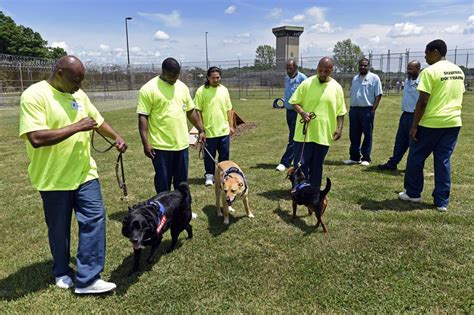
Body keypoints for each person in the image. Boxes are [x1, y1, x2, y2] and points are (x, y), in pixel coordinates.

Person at [19, 56, 127, 294]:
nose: (79, 85)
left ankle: (88, 278)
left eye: (82, 80)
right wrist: (77, 127)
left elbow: (97, 121)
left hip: (84, 172)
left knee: (94, 219)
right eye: (75, 80)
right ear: (59, 73)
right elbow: (36, 138)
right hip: (53, 177)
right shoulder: (35, 95)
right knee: (59, 229)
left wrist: (116, 137)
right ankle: (61, 270)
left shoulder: (79, 95)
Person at [399, 39, 465, 212]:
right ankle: (442, 202)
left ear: (435, 52)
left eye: (427, 53)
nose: (425, 56)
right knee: (443, 160)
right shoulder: (458, 71)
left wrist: (414, 126)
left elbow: (422, 101)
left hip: (431, 123)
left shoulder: (429, 72)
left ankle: (413, 193)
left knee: (415, 157)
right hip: (453, 122)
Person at [137, 57, 205, 194]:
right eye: (172, 75)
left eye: (177, 75)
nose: (175, 79)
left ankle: (182, 213)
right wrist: (145, 143)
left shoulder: (182, 87)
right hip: (161, 146)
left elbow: (190, 111)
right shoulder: (148, 89)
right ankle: (164, 214)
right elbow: (143, 117)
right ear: (163, 71)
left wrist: (201, 130)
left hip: (181, 145)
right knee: (163, 183)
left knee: (182, 183)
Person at [290, 57, 346, 191]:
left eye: (326, 71)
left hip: (324, 134)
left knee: (317, 164)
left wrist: (339, 128)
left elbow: (341, 111)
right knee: (301, 164)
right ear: (317, 68)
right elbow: (294, 102)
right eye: (320, 70)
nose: (322, 74)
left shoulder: (337, 88)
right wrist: (303, 113)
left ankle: (314, 191)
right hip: (305, 133)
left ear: (331, 71)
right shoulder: (307, 83)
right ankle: (300, 189)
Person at [194, 66, 234, 186]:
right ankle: (209, 176)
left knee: (224, 155)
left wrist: (231, 126)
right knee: (209, 156)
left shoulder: (224, 90)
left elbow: (229, 109)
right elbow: (197, 111)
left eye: (218, 77)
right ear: (208, 78)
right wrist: (201, 130)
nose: (216, 80)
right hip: (209, 131)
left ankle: (222, 175)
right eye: (213, 78)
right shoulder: (201, 91)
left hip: (223, 131)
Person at [378, 60, 421, 171]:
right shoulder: (407, 81)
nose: (408, 71)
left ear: (418, 69)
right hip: (405, 115)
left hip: (415, 116)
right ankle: (393, 163)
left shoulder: (422, 82)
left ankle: (413, 166)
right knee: (400, 141)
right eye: (408, 69)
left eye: (411, 69)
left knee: (414, 142)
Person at [343, 58, 383, 166]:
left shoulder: (374, 78)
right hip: (354, 110)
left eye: (365, 65)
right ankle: (354, 157)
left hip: (367, 110)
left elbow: (378, 95)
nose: (363, 67)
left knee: (367, 134)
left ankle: (366, 158)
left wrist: (373, 110)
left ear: (368, 66)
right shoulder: (355, 78)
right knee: (354, 135)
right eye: (361, 65)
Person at [276, 59, 307, 172]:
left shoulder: (303, 78)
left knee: (293, 138)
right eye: (287, 68)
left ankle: (285, 162)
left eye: (290, 68)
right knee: (294, 136)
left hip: (298, 112)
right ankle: (300, 158)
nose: (288, 70)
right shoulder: (287, 78)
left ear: (296, 68)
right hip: (288, 111)